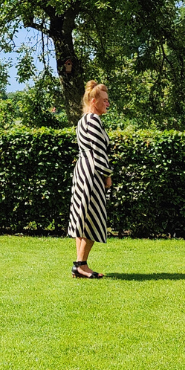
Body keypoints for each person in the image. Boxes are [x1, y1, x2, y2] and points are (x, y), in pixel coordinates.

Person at [67, 80, 112, 279]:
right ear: (94, 101)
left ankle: (80, 266)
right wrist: (107, 175)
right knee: (92, 219)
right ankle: (81, 265)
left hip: (83, 170)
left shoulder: (83, 120)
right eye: (104, 100)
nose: (107, 104)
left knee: (82, 219)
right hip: (91, 173)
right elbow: (98, 151)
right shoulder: (93, 120)